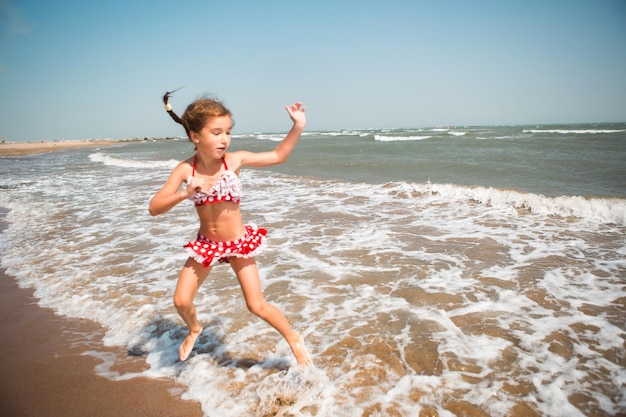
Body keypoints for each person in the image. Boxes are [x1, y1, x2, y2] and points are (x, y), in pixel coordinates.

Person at [148, 91, 311, 367]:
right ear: (195, 136)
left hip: (237, 243)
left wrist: (297, 126)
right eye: (216, 132)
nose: (224, 139)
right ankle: (195, 328)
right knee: (180, 300)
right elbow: (154, 207)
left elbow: (278, 155)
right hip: (207, 245)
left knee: (256, 305)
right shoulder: (185, 170)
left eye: (228, 132)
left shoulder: (234, 161)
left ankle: (294, 338)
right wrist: (186, 193)